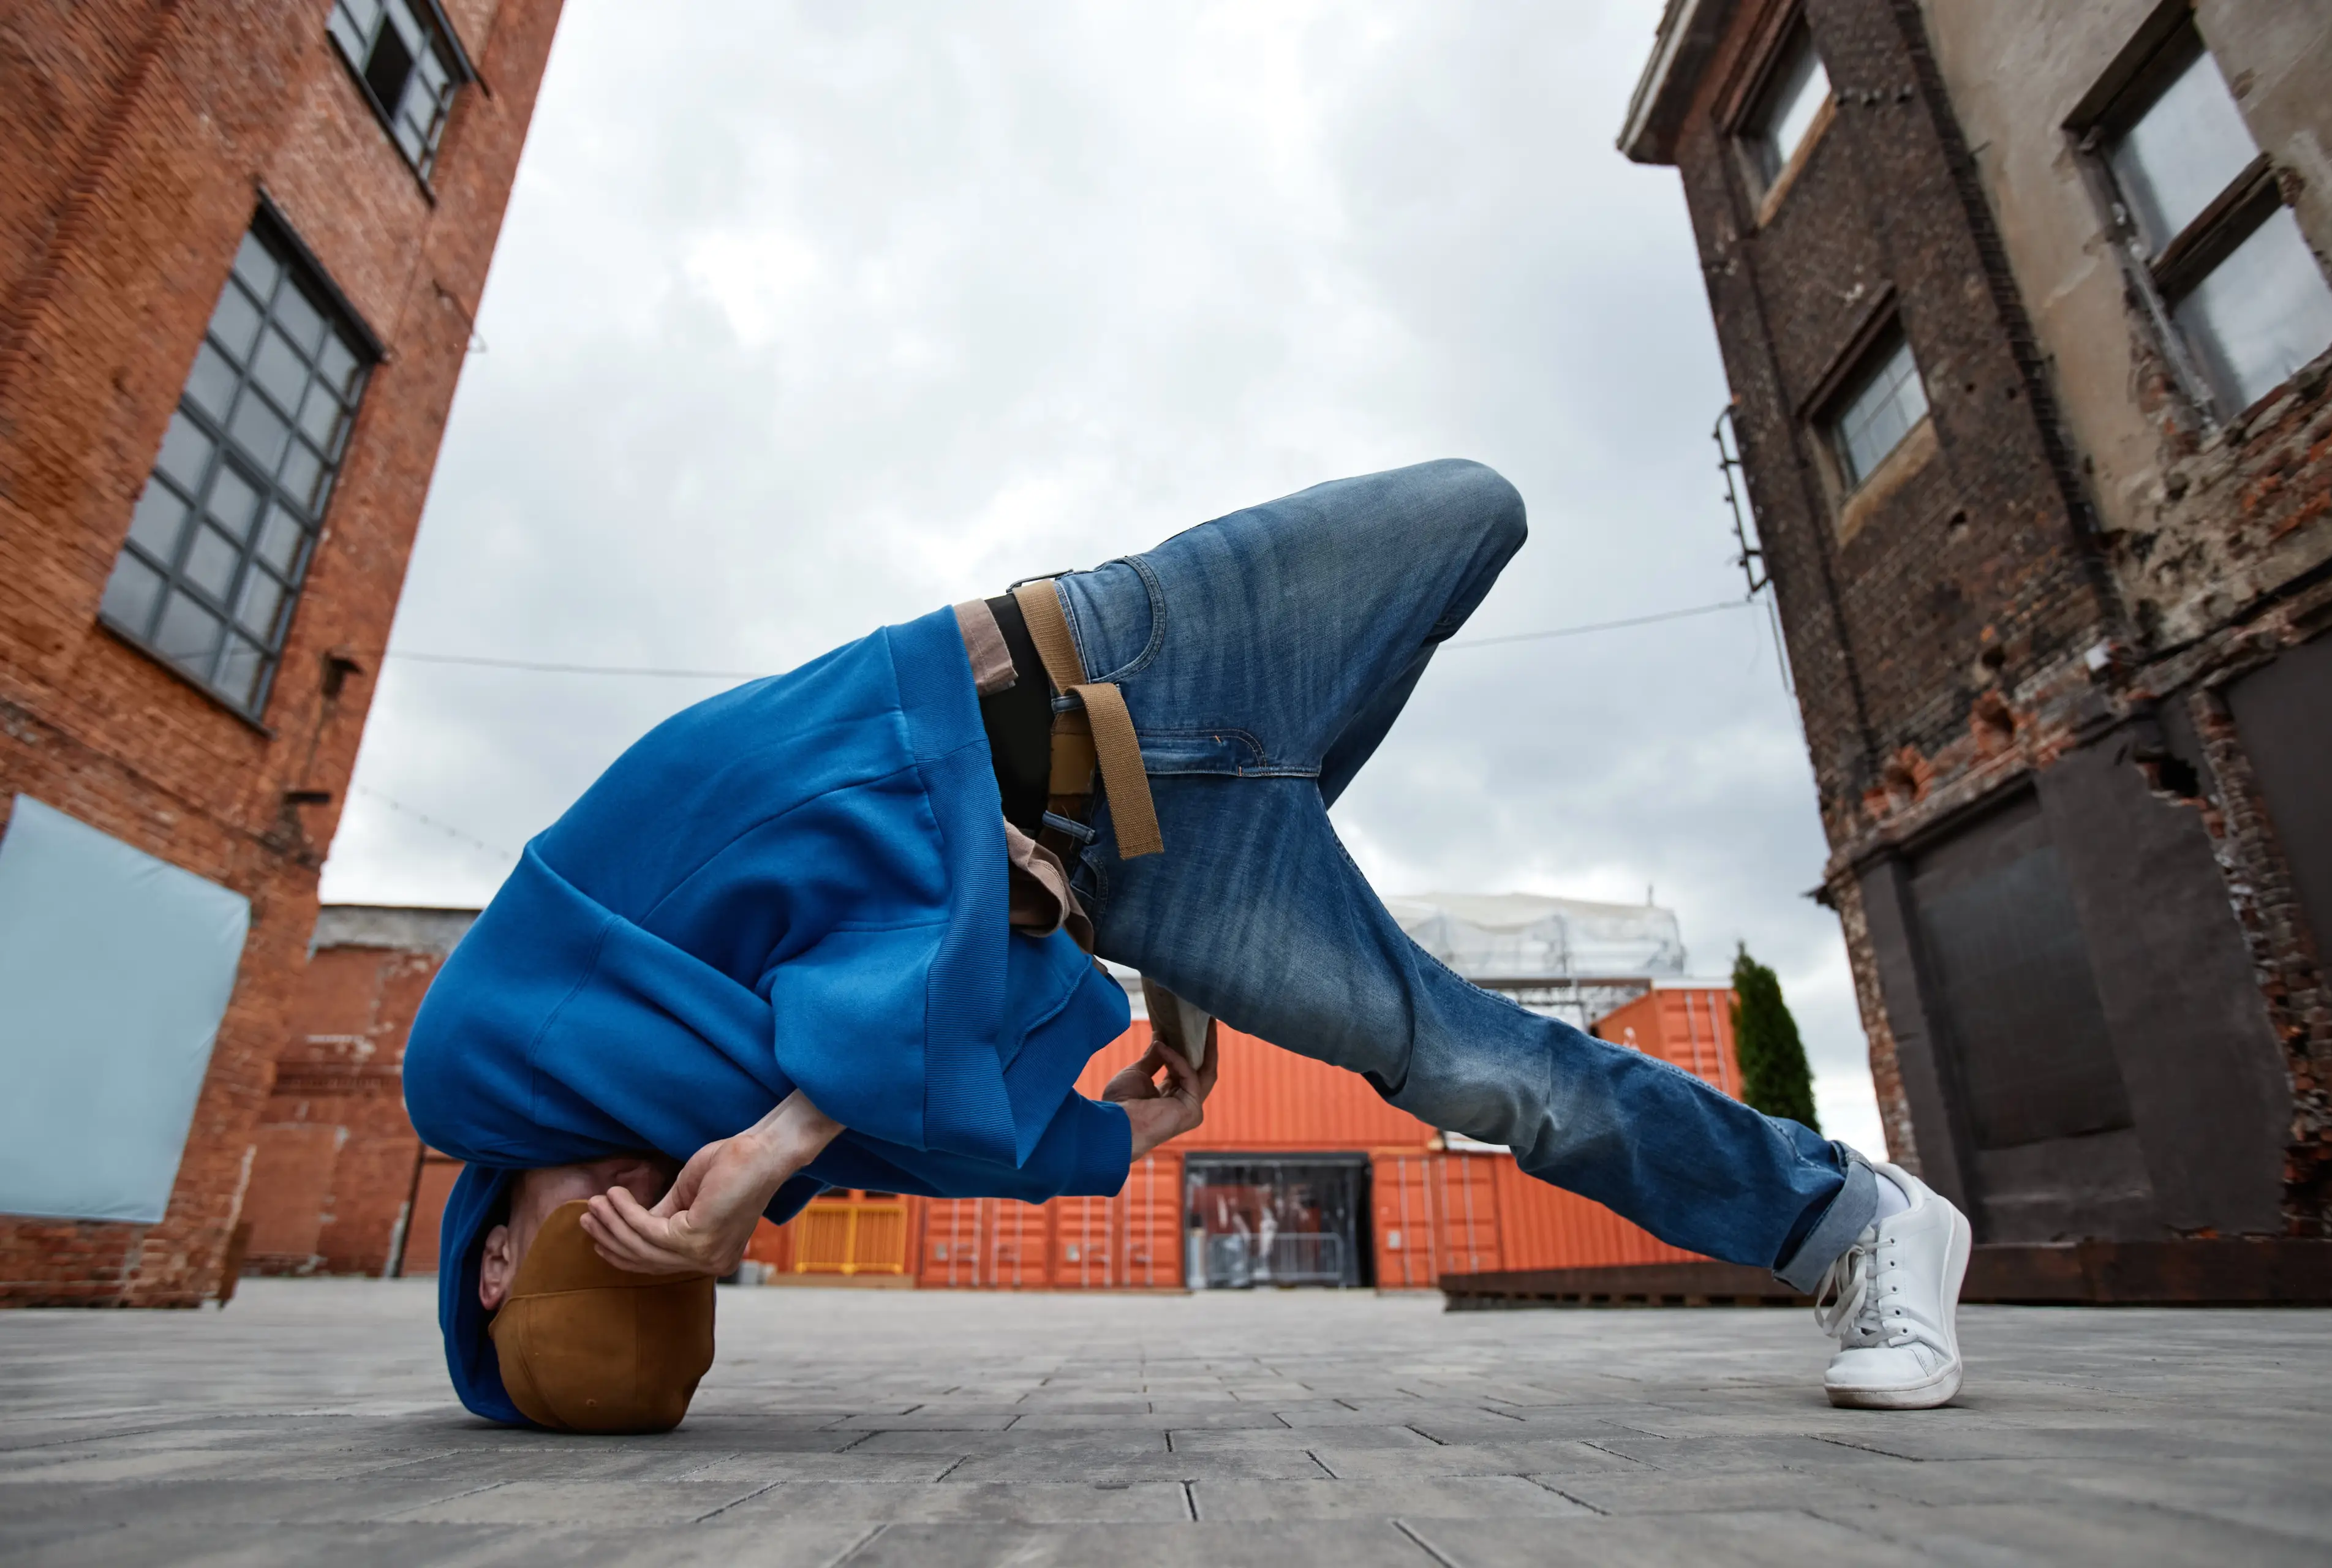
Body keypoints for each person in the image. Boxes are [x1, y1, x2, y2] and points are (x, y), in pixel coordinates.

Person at [404, 459, 1970, 1434]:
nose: (648, 1206)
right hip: (1157, 886)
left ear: (487, 1259)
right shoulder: (726, 1141)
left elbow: (763, 798)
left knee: (1476, 503)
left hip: (1119, 657)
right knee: (1488, 1075)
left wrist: (778, 1132)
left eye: (600, 1236)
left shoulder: (482, 1045)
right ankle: (1858, 1223)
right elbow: (916, 1134)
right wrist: (1108, 1133)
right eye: (681, 1258)